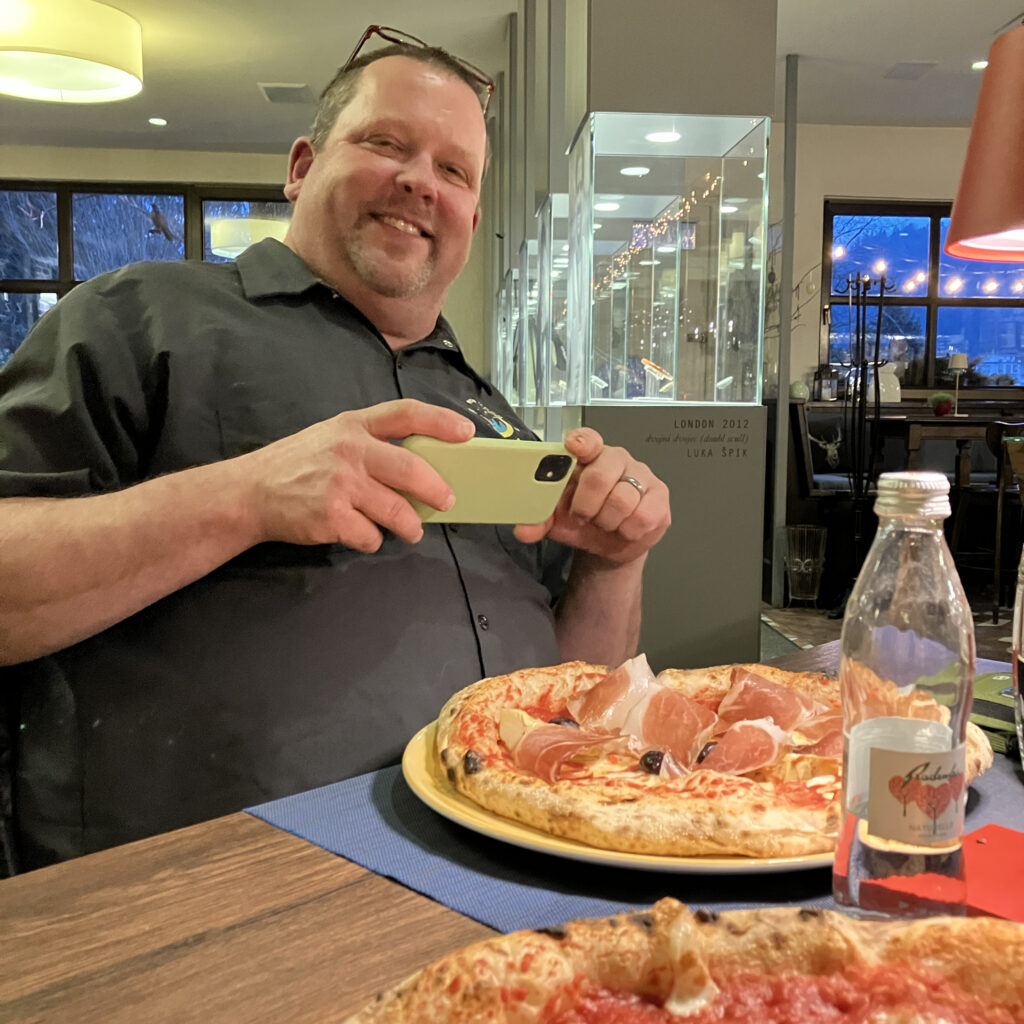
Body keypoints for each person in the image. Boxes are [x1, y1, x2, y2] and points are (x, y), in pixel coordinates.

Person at [0, 31, 671, 871]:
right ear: (302, 165)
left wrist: (615, 563)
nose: (420, 180)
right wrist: (247, 497)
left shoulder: (493, 414)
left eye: (455, 171)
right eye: (386, 143)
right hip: (214, 902)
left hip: (512, 873)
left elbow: (585, 700)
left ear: (471, 212)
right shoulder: (139, 316)